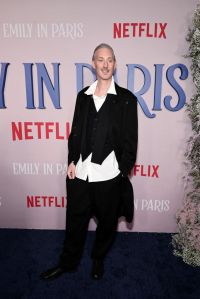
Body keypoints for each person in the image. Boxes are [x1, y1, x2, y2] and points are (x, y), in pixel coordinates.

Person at [40, 43, 138, 280]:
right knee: (74, 222)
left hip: (108, 176)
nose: (105, 64)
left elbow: (130, 140)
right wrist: (72, 160)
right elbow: (75, 133)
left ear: (114, 65)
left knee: (107, 224)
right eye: (100, 59)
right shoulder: (82, 96)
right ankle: (68, 262)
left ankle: (98, 259)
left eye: (110, 60)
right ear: (93, 63)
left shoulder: (126, 99)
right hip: (81, 174)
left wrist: (121, 172)